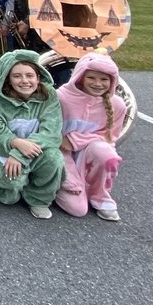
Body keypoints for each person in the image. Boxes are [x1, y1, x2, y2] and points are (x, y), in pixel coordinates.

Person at [0, 50, 66, 219]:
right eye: (17, 76)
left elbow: (51, 133)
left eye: (30, 75)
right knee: (9, 197)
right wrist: (16, 144)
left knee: (55, 158)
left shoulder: (49, 97)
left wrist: (19, 155)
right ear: (8, 80)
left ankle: (39, 198)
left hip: (38, 149)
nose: (25, 81)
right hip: (3, 150)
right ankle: (6, 185)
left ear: (38, 78)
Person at [54, 51, 126, 221]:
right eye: (91, 78)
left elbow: (109, 139)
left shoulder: (117, 105)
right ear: (80, 77)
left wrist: (74, 140)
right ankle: (61, 183)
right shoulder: (61, 98)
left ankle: (99, 195)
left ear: (112, 81)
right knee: (77, 210)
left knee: (106, 154)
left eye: (104, 79)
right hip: (59, 153)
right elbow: (47, 131)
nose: (97, 84)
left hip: (86, 151)